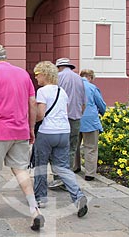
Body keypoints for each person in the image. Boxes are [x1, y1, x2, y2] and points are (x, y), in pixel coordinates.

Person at [0, 44, 44, 231]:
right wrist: (31, 129)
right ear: (6, 57)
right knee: (21, 170)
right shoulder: (23, 74)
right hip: (20, 129)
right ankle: (34, 209)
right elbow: (32, 102)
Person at [32, 61, 88, 217]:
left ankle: (40, 198)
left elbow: (40, 114)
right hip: (63, 132)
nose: (36, 78)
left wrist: (31, 123)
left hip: (46, 133)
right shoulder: (62, 91)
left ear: (44, 74)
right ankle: (78, 197)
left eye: (37, 75)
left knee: (40, 166)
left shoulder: (42, 91)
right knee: (63, 168)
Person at [49, 57, 86, 189]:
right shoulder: (79, 79)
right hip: (76, 118)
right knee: (71, 149)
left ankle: (58, 178)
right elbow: (83, 103)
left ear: (58, 67)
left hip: (61, 119)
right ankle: (67, 179)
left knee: (57, 149)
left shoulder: (58, 77)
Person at [77, 69, 107, 181]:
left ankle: (75, 167)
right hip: (90, 121)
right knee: (90, 147)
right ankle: (89, 173)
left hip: (75, 118)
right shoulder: (92, 88)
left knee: (74, 146)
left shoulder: (75, 86)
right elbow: (101, 104)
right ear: (90, 77)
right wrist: (102, 113)